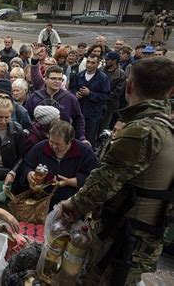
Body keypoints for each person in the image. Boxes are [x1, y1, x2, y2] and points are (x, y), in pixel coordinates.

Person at [59, 58, 174, 285]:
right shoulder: (166, 127)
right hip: (142, 235)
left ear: (129, 86)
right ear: (171, 91)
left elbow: (103, 184)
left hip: (122, 238)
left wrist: (72, 206)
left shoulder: (141, 131)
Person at [21, 120, 98, 210]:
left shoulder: (85, 152)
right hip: (41, 200)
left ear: (69, 141)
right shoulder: (41, 147)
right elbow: (26, 164)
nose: (53, 146)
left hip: (70, 202)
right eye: (51, 141)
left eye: (58, 144)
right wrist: (29, 174)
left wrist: (69, 181)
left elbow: (93, 177)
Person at [25, 65, 87, 143]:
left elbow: (79, 119)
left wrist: (81, 137)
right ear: (46, 79)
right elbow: (26, 118)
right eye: (53, 78)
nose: (57, 81)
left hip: (62, 139)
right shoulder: (35, 97)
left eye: (60, 79)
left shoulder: (70, 98)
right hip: (38, 138)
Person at [72, 54, 111, 145]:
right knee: (76, 135)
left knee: (89, 137)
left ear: (98, 64)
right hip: (79, 111)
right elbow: (73, 88)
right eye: (88, 62)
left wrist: (90, 94)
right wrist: (75, 93)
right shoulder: (80, 75)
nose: (89, 65)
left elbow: (106, 96)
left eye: (93, 63)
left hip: (93, 113)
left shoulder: (102, 78)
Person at [99, 51, 126, 132]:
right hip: (98, 103)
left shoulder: (121, 75)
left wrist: (103, 97)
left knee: (104, 127)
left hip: (110, 106)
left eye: (108, 59)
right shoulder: (100, 70)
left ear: (114, 61)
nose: (105, 61)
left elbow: (117, 92)